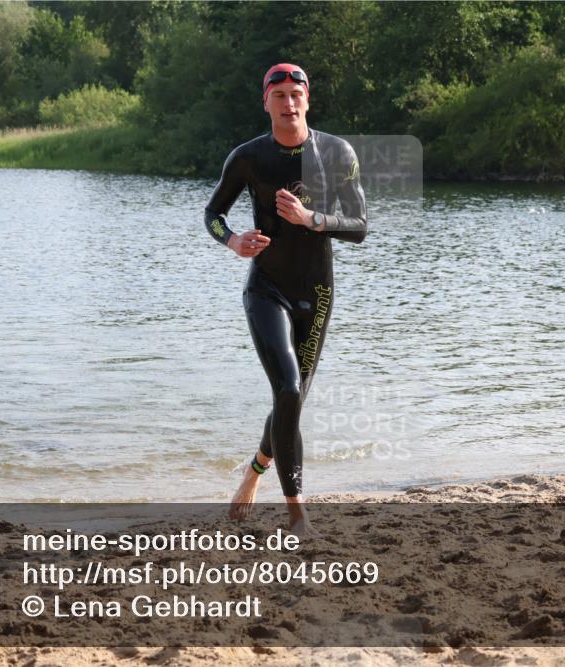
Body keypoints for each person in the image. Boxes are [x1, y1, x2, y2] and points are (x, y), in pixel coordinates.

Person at [204, 64, 367, 534]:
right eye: (279, 95)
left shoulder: (337, 153)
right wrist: (233, 241)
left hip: (317, 292)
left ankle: (253, 473)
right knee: (289, 388)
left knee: (289, 400)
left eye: (296, 94)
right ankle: (298, 514)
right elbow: (213, 212)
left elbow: (359, 226)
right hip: (266, 289)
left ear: (308, 99)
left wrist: (311, 219)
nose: (288, 103)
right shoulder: (248, 158)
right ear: (266, 103)